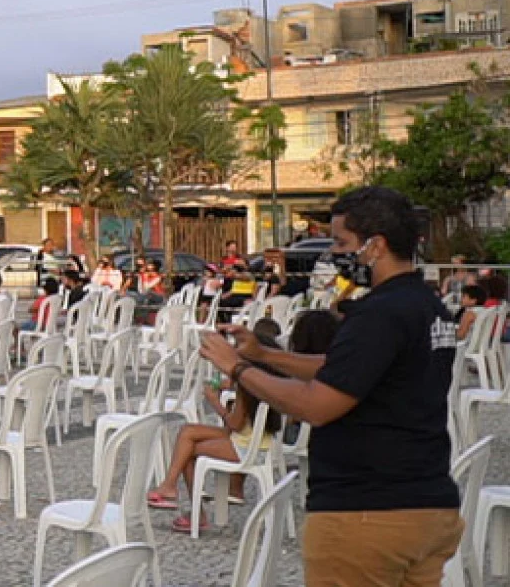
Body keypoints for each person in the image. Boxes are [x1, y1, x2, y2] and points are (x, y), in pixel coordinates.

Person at [197, 186, 461, 584]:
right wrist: (266, 356)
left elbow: (316, 405)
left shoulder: (379, 314)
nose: (335, 255)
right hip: (427, 506)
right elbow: (347, 368)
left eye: (342, 243)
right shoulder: (425, 304)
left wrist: (237, 369)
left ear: (375, 246)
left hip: (367, 514)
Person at [149, 316, 327, 531]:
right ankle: (170, 486)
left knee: (189, 451)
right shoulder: (275, 383)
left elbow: (234, 423)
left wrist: (217, 404)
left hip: (247, 448)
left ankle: (193, 510)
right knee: (188, 432)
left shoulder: (248, 388)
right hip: (260, 441)